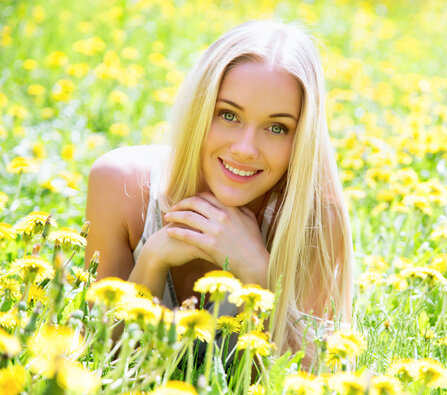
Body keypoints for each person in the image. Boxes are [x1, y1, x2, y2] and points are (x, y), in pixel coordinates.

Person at [85, 20, 353, 361]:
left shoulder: (314, 224)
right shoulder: (120, 185)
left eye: (276, 127)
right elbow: (98, 359)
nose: (245, 148)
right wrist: (151, 261)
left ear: (301, 138)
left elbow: (299, 384)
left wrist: (258, 274)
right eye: (228, 115)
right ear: (199, 109)